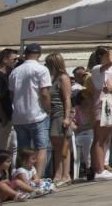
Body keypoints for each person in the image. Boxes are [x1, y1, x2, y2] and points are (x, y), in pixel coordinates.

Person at [7, 44, 50, 180]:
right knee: (41, 148)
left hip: (19, 115)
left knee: (23, 150)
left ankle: (23, 179)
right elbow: (44, 93)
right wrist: (48, 109)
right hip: (37, 114)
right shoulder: (41, 69)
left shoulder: (15, 71)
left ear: (25, 54)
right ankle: (38, 178)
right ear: (39, 54)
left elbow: (11, 95)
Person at [86, 46, 112, 180]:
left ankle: (101, 166)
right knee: (99, 138)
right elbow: (111, 61)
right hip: (102, 103)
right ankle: (98, 169)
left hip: (110, 103)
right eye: (106, 54)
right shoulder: (96, 69)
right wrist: (111, 51)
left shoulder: (108, 72)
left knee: (105, 138)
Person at [44, 53, 73, 186]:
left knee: (64, 146)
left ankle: (65, 174)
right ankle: (58, 173)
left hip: (61, 113)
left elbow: (67, 99)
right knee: (56, 146)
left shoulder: (63, 78)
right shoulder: (52, 78)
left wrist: (67, 117)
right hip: (52, 114)